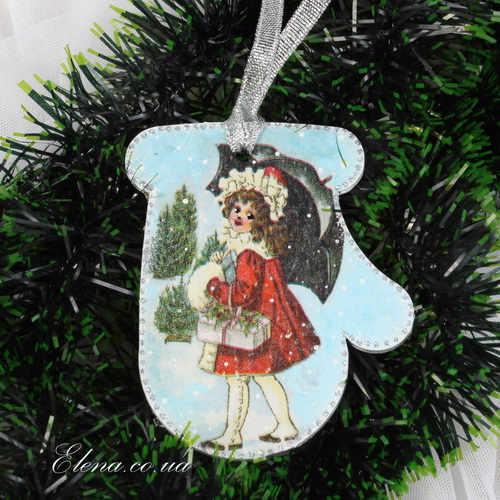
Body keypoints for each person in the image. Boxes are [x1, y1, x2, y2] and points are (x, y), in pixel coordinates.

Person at [188, 166, 320, 450]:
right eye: (237, 210)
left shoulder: (249, 253)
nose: (240, 217)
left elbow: (242, 295)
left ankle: (234, 435)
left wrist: (214, 286)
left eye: (249, 215)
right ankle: (282, 426)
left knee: (239, 379)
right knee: (260, 377)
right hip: (262, 321)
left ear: (259, 221)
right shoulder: (252, 246)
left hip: (249, 324)